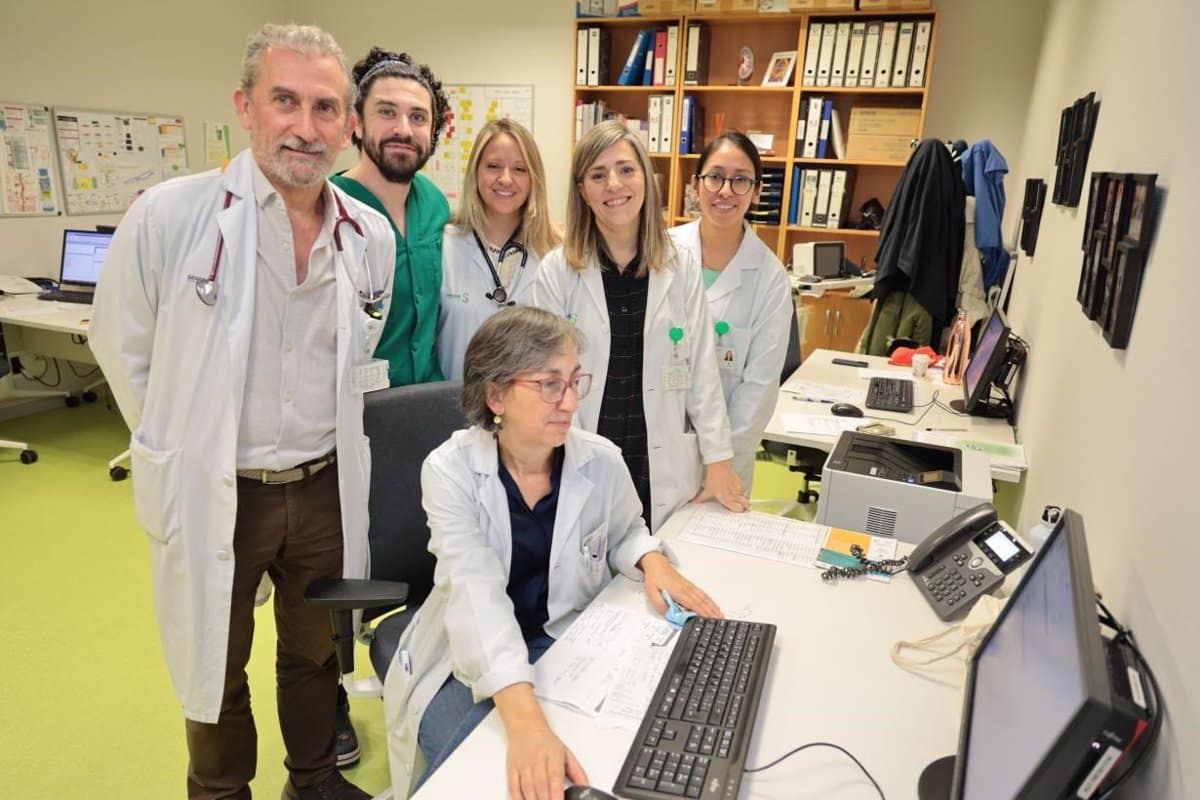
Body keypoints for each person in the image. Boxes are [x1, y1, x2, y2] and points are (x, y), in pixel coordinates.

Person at [89, 23, 392, 800]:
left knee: (314, 653)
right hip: (219, 486)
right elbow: (121, 345)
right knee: (214, 661)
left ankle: (314, 781)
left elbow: (361, 352)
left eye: (326, 107)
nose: (305, 126)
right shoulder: (170, 217)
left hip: (322, 488)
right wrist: (181, 443)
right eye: (284, 100)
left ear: (347, 125)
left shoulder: (370, 237)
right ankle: (221, 792)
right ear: (245, 106)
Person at [382, 306, 722, 799]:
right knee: (486, 775)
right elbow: (475, 596)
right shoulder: (450, 472)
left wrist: (653, 562)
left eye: (574, 381)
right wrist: (527, 727)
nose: (570, 402)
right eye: (549, 385)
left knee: (607, 753)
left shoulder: (599, 460)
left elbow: (626, 528)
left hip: (563, 642)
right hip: (466, 657)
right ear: (496, 396)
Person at [531, 119, 748, 533]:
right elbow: (547, 382)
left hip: (659, 456)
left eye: (626, 169)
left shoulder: (680, 265)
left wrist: (719, 461)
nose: (614, 184)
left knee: (656, 559)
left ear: (646, 179)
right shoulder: (557, 272)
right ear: (582, 190)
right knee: (589, 557)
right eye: (598, 174)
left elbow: (703, 371)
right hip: (584, 446)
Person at [669, 133, 793, 493]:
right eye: (715, 177)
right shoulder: (661, 252)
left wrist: (721, 461)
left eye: (741, 180)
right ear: (695, 185)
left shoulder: (770, 279)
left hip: (725, 462)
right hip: (656, 446)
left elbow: (759, 390)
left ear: (756, 192)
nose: (725, 191)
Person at [332, 48, 451, 387]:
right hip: (353, 406)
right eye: (387, 112)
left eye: (418, 117)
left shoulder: (434, 204)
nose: (404, 129)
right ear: (356, 124)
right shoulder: (329, 210)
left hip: (427, 400)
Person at [437, 118, 560, 380]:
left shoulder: (553, 254)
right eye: (493, 166)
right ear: (476, 173)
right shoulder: (444, 245)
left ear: (533, 178)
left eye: (519, 169)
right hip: (451, 400)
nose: (505, 179)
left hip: (527, 403)